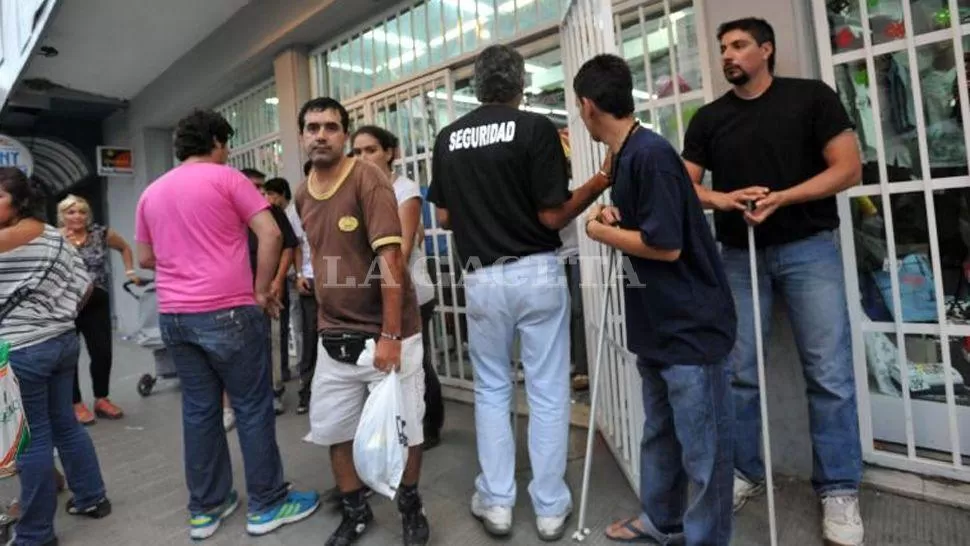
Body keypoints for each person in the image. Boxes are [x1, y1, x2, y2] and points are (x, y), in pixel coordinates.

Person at [681, 17, 864, 546]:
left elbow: (848, 168)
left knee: (828, 370)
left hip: (810, 250)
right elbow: (685, 186)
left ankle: (839, 488)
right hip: (738, 255)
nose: (728, 56)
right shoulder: (709, 118)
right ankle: (745, 472)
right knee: (739, 371)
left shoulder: (811, 97)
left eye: (739, 46)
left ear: (767, 49)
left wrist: (783, 197)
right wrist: (723, 199)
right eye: (723, 49)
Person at [426, 44, 612, 541]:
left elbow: (442, 215)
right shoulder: (535, 130)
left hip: (481, 277)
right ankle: (550, 508)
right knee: (548, 390)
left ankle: (497, 501)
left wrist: (482, 212)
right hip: (536, 273)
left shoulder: (448, 138)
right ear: (520, 84)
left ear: (477, 85)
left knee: (490, 389)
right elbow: (553, 215)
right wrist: (598, 182)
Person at [135, 109, 319, 541]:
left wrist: (185, 260)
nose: (229, 150)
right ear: (216, 141)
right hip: (229, 311)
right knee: (252, 407)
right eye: (227, 142)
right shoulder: (227, 178)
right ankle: (268, 503)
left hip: (176, 316)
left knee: (200, 412)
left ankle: (206, 508)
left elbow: (145, 259)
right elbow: (270, 234)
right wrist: (261, 290)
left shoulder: (152, 191)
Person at [576, 54, 736, 546]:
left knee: (703, 452)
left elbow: (666, 245)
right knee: (660, 435)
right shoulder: (625, 157)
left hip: (689, 326)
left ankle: (704, 537)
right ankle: (662, 520)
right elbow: (648, 223)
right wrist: (616, 217)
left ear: (587, 106)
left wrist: (600, 231)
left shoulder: (650, 154)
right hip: (657, 325)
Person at [296, 97, 430, 546]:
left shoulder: (367, 178)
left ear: (344, 135)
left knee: (406, 428)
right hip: (332, 333)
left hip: (388, 334)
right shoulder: (301, 192)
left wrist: (390, 335)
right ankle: (355, 512)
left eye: (330, 127)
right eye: (312, 127)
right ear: (302, 135)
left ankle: (410, 507)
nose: (320, 134)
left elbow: (391, 257)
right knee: (335, 429)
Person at [0, 167, 112, 546]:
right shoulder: (54, 236)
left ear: (17, 201)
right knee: (65, 423)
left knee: (33, 439)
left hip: (22, 351)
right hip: (62, 343)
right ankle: (93, 497)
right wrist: (58, 316)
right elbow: (85, 286)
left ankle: (35, 533)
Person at [350, 125, 444, 449]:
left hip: (412, 291)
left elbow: (399, 251)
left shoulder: (405, 190)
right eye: (358, 151)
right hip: (374, 294)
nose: (363, 157)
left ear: (390, 152)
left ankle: (430, 425)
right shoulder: (355, 190)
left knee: (418, 362)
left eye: (371, 150)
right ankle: (397, 424)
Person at [57, 194, 140, 424]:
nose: (77, 216)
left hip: (97, 302)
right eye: (71, 212)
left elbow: (124, 248)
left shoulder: (102, 234)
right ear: (62, 216)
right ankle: (75, 403)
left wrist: (130, 271)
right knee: (69, 356)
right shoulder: (54, 238)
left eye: (82, 211)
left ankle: (102, 398)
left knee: (102, 352)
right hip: (66, 305)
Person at [243, 170, 299, 415]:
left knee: (273, 340)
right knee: (245, 343)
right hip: (239, 291)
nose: (259, 192)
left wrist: (277, 280)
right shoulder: (231, 213)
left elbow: (288, 246)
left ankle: (275, 391)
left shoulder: (273, 212)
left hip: (271, 289)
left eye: (261, 187)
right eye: (253, 187)